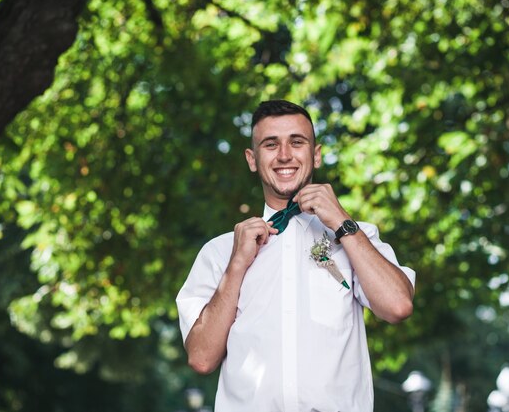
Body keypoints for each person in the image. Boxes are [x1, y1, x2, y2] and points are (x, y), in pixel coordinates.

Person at [176, 99, 415, 412]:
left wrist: (343, 223)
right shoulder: (219, 252)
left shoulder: (358, 238)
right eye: (271, 144)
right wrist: (237, 266)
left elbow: (398, 306)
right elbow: (201, 358)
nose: (285, 155)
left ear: (315, 155)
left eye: (297, 142)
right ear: (252, 159)